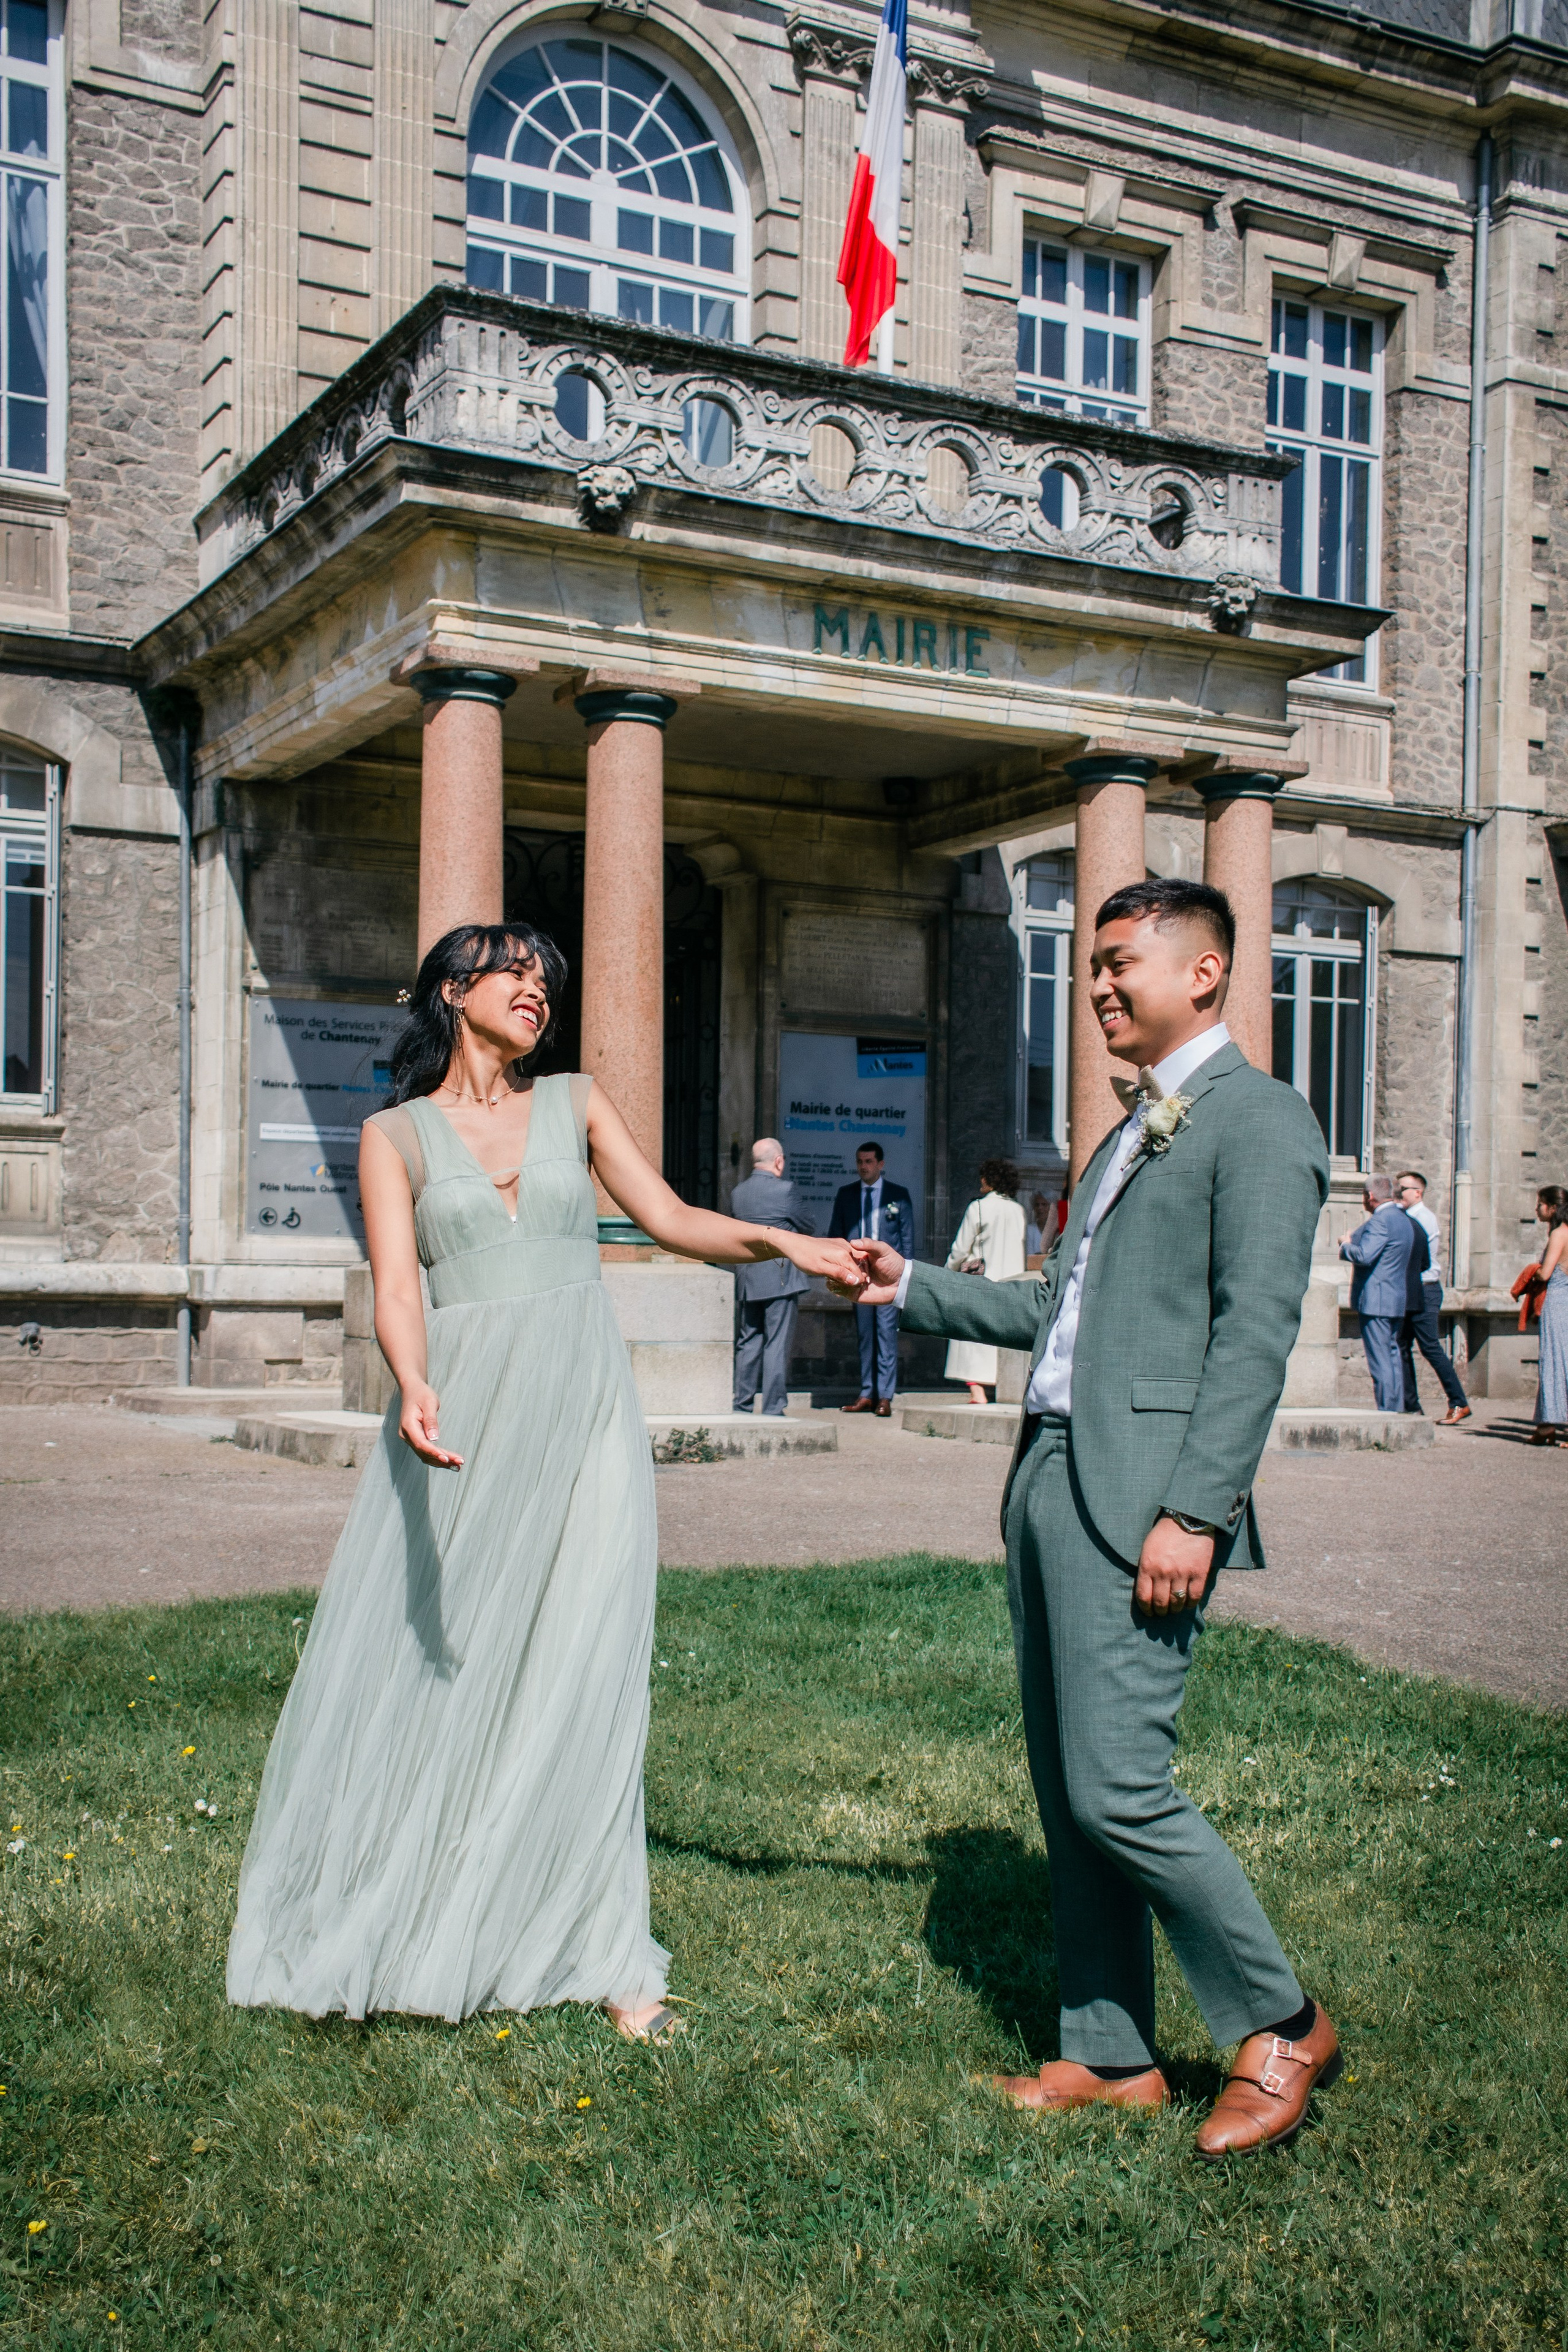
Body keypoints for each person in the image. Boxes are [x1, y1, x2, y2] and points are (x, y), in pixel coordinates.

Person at [228, 923, 862, 2035]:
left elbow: (669, 1221)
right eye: (514, 972)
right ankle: (421, 1903)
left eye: (546, 979)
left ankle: (610, 1950)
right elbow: (395, 1288)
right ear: (451, 992)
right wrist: (412, 1382)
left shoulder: (575, 1103)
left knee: (588, 1655)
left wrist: (795, 1250)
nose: (537, 990)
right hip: (465, 1414)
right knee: (451, 1660)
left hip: (583, 1414)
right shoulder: (396, 1136)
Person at [843, 877, 1339, 2160]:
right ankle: (1107, 2053)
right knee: (1068, 1793)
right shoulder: (1122, 1135)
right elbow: (1048, 1319)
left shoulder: (1259, 1122)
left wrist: (1194, 1507)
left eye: (1120, 963)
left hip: (1146, 1497)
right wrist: (912, 1285)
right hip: (1049, 1480)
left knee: (1122, 1788)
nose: (1099, 985)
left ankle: (1280, 2019)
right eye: (1095, 965)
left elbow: (1251, 1338)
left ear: (1206, 974)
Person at [829, 1140, 914, 1416]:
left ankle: (885, 1396)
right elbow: (836, 1235)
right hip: (859, 1274)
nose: (863, 1167)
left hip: (887, 1276)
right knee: (865, 1335)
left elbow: (907, 1240)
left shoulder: (898, 1195)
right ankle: (867, 1392)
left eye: (869, 1162)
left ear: (881, 1164)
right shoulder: (847, 1195)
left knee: (886, 1333)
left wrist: (905, 1275)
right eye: (860, 1162)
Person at [729, 1137, 813, 1416]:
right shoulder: (785, 1190)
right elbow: (808, 1225)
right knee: (776, 1344)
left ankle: (742, 1404)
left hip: (748, 1279)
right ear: (778, 1161)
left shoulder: (739, 1192)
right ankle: (773, 1406)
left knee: (748, 1342)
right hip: (779, 1278)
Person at [943, 1159, 1027, 1403]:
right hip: (1011, 1281)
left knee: (971, 1339)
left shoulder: (978, 1208)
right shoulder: (1019, 1210)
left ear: (987, 1180)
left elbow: (961, 1249)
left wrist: (948, 1270)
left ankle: (978, 1392)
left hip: (980, 1280)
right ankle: (1002, 1386)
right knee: (1000, 1338)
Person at [1394, 1170, 1470, 1424]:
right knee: (1401, 1345)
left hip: (1425, 1289)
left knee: (1430, 1346)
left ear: (1418, 1192)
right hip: (1410, 1289)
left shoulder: (1423, 1218)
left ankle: (1459, 1402)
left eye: (1403, 1189)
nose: (1398, 1193)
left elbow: (1419, 1258)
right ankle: (1410, 1405)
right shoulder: (1404, 1216)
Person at [1339, 1177, 1415, 1412]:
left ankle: (1387, 1412)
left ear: (1370, 1196)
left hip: (1376, 1300)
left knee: (1381, 1360)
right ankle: (1395, 1408)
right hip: (1395, 1298)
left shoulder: (1381, 1221)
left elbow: (1364, 1255)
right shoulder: (1403, 1220)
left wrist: (1345, 1245)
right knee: (1392, 1357)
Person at [1531, 1185, 1568, 1445]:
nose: (1537, 1209)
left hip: (1557, 1301)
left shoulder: (1560, 1233)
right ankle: (1545, 1426)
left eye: (1541, 1204)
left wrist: (1532, 1272)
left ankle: (1548, 1426)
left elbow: (1545, 1273)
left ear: (1553, 1208)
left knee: (1555, 1361)